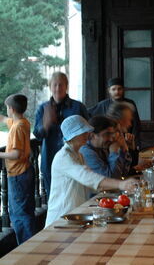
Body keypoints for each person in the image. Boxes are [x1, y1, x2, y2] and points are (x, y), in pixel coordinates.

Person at [45, 115, 136, 227]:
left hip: (74, 215)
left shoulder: (78, 155)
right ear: (73, 136)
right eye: (83, 132)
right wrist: (121, 184)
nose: (87, 135)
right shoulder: (63, 157)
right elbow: (87, 177)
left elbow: (92, 182)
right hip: (60, 218)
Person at [33, 72, 89, 199]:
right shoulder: (43, 108)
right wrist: (46, 124)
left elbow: (88, 130)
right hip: (50, 158)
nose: (58, 88)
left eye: (61, 85)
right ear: (50, 87)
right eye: (55, 85)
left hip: (74, 156)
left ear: (66, 86)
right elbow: (37, 134)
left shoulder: (78, 106)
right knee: (53, 196)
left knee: (75, 194)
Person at [0, 94, 35, 244]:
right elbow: (3, 119)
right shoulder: (23, 122)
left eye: (7, 108)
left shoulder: (17, 127)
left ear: (11, 109)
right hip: (25, 172)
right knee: (26, 212)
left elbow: (16, 154)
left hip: (18, 174)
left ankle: (26, 250)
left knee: (20, 215)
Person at [88, 77, 141, 149]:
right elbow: (89, 114)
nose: (117, 92)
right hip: (110, 139)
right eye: (114, 89)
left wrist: (133, 139)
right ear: (109, 90)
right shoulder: (103, 104)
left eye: (119, 89)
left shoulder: (130, 103)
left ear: (123, 90)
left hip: (127, 138)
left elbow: (136, 124)